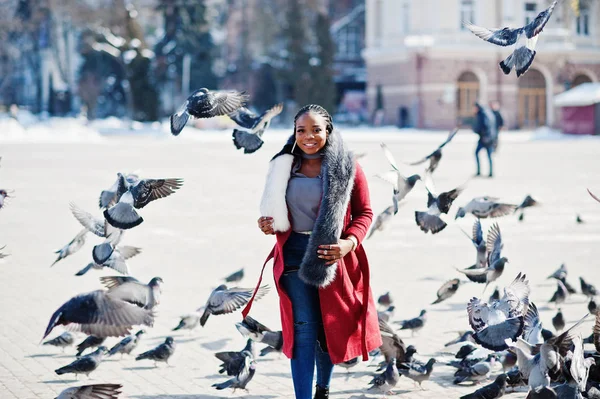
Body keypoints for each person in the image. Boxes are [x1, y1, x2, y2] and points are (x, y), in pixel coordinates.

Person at [243, 104, 382, 399]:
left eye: (316, 130)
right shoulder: (282, 166)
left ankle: (323, 390)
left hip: (330, 258)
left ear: (327, 131)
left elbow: (365, 213)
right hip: (293, 254)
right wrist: (267, 224)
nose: (308, 136)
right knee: (304, 329)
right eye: (301, 130)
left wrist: (348, 244)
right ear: (294, 133)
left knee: (326, 331)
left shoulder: (348, 167)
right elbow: (275, 213)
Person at [471, 102, 497, 177]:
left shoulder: (482, 115)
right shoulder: (486, 113)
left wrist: (480, 132)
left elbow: (486, 126)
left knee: (479, 154)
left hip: (485, 138)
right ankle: (489, 172)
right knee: (488, 155)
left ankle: (483, 172)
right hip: (488, 137)